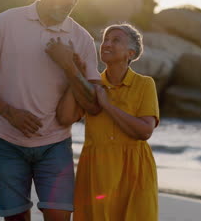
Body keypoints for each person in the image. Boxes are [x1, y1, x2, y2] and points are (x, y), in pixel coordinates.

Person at [0, 0, 101, 221]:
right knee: (15, 218)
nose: (71, 0)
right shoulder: (7, 22)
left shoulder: (81, 39)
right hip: (4, 140)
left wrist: (69, 67)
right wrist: (9, 113)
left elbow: (93, 106)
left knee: (59, 217)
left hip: (55, 145)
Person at [51, 24, 160, 220]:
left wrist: (107, 106)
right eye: (105, 39)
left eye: (115, 40)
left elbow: (144, 131)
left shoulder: (145, 84)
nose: (106, 44)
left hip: (133, 170)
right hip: (96, 170)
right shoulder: (92, 83)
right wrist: (75, 75)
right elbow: (65, 118)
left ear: (130, 53)